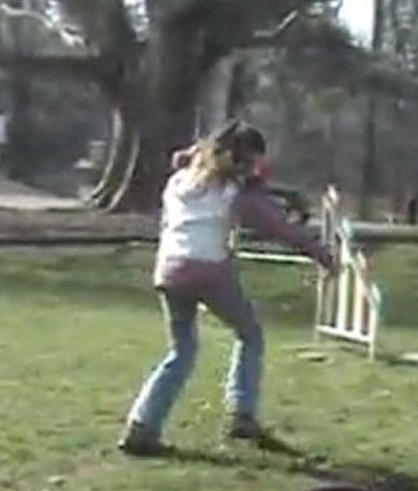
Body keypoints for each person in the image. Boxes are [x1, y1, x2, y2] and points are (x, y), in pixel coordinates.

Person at [120, 120, 336, 456]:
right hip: (209, 271)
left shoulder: (179, 181)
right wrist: (323, 256)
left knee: (181, 353)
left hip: (169, 270)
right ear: (247, 160)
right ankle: (241, 413)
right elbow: (279, 228)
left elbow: (192, 168)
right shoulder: (236, 192)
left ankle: (141, 425)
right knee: (250, 335)